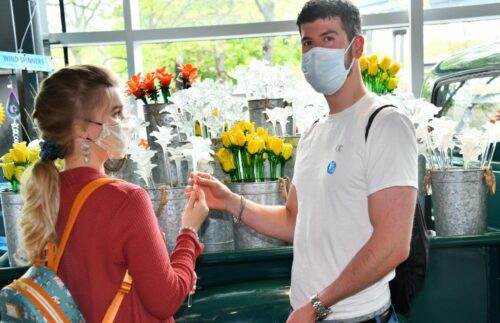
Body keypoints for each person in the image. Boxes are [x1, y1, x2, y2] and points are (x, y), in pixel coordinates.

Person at [187, 0, 417, 322]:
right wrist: (231, 202)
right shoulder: (314, 133)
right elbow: (295, 221)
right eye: (307, 43)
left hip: (356, 317)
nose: (315, 53)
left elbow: (393, 245)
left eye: (328, 38)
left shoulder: (384, 125)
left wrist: (319, 304)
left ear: (357, 46)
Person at [20, 65, 209, 322]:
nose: (125, 123)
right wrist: (189, 233)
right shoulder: (126, 199)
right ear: (81, 129)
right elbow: (165, 300)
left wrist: (179, 273)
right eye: (116, 114)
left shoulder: (46, 193)